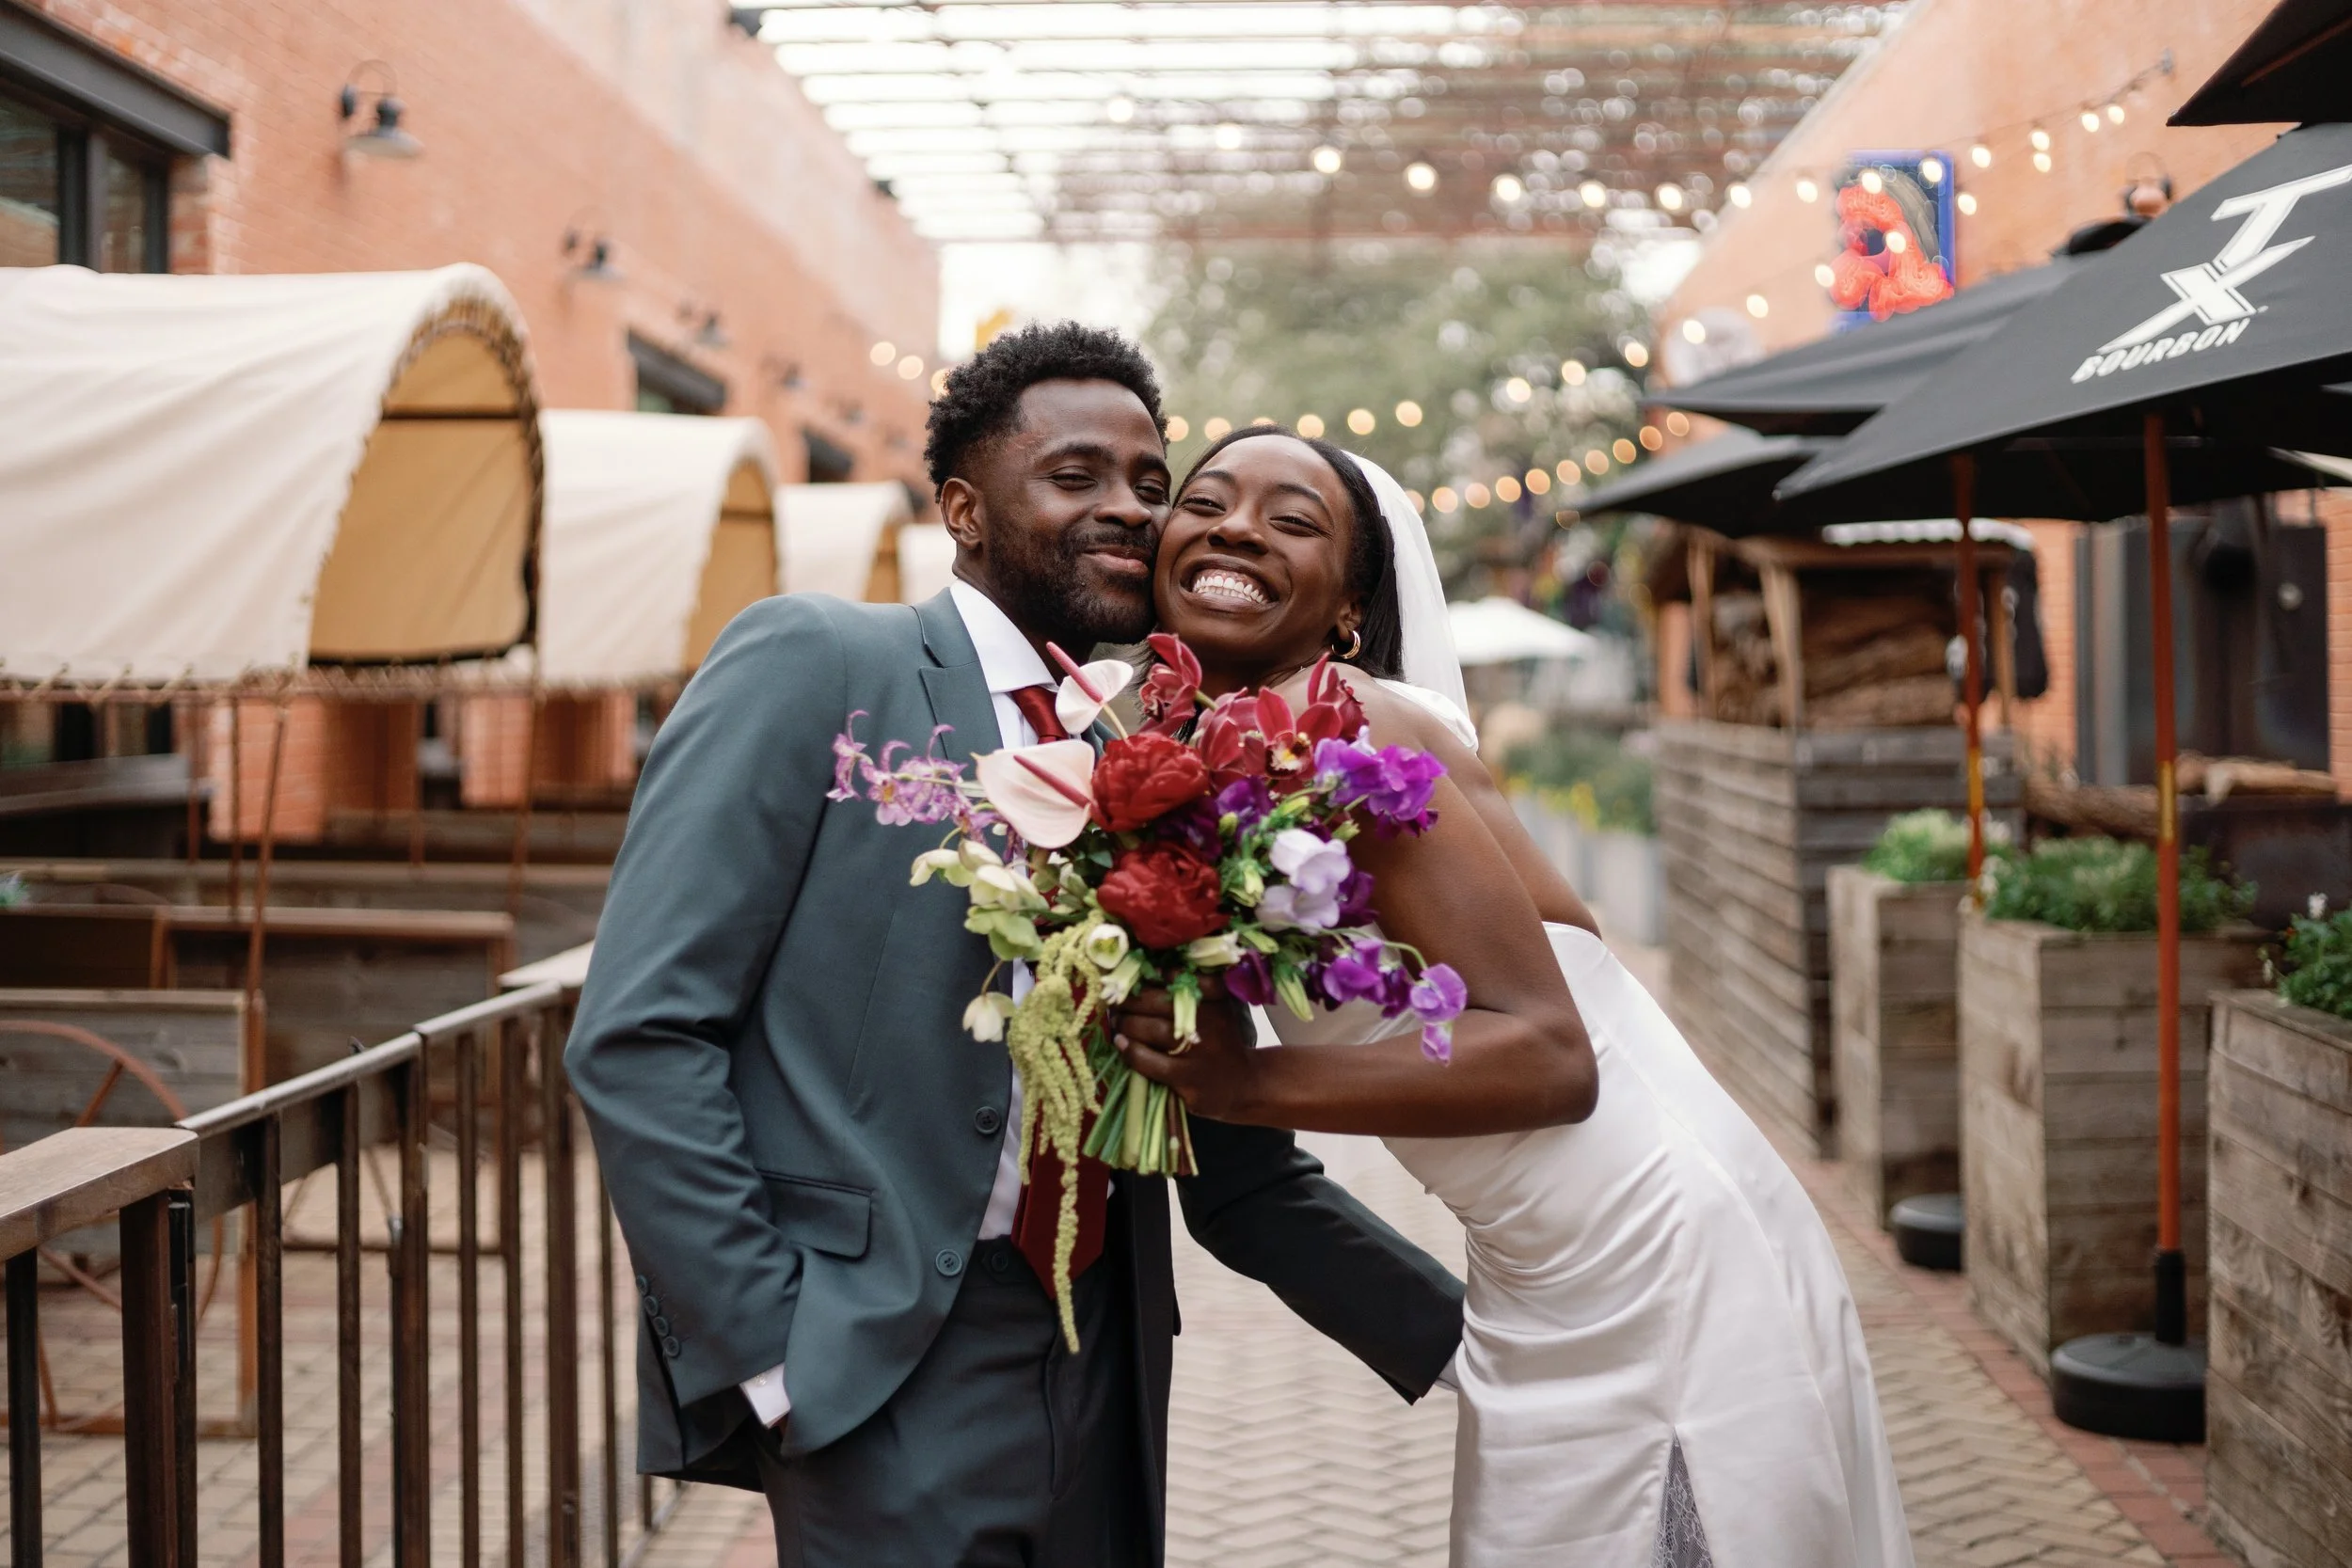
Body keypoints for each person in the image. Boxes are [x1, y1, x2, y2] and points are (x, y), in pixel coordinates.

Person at [564, 325, 1480, 1568]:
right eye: (1077, 474)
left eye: (1152, 483)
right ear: (964, 506)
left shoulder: (1148, 752)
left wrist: (1494, 1351)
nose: (1128, 510)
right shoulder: (821, 661)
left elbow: (1231, 1150)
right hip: (878, 1354)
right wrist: (778, 1353)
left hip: (1101, 1347)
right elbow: (641, 1031)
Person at [1111, 424, 1918, 1568]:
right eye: (1208, 501)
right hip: (1540, 1272)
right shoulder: (1224, 754)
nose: (1237, 527)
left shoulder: (1359, 725)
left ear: (1349, 606)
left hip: (1650, 1259)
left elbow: (1552, 1057)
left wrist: (1247, 1080)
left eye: (1293, 520)